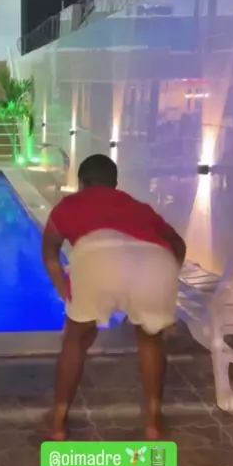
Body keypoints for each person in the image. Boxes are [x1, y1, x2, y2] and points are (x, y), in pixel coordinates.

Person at [42, 154, 186, 442]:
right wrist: (167, 283)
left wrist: (66, 294)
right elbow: (177, 244)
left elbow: (50, 254)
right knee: (150, 339)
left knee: (76, 340)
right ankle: (153, 423)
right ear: (114, 184)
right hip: (155, 263)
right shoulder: (137, 206)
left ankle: (58, 423)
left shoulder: (69, 205)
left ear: (82, 183)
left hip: (97, 258)